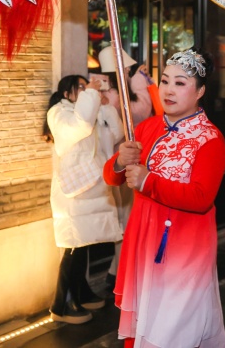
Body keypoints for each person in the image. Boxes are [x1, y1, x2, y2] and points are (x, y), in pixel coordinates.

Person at [103, 49, 225, 347]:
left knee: (173, 330)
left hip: (185, 247)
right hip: (143, 240)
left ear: (200, 91)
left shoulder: (210, 139)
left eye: (181, 83)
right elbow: (111, 176)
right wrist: (121, 160)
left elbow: (201, 198)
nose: (169, 90)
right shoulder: (146, 127)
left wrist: (148, 181)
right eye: (165, 81)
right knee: (144, 325)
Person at [43, 75, 124, 324]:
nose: (86, 89)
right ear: (66, 93)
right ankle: (62, 304)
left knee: (83, 245)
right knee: (72, 248)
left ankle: (81, 292)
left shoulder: (86, 110)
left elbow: (117, 134)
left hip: (92, 190)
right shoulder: (59, 113)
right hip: (73, 195)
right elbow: (80, 128)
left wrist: (106, 103)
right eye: (80, 87)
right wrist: (91, 96)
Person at [97, 45, 155, 290]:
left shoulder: (111, 93)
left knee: (125, 222)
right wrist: (141, 83)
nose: (131, 71)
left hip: (122, 163)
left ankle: (116, 273)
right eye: (128, 68)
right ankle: (120, 277)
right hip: (118, 165)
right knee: (124, 223)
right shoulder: (113, 95)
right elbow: (142, 111)